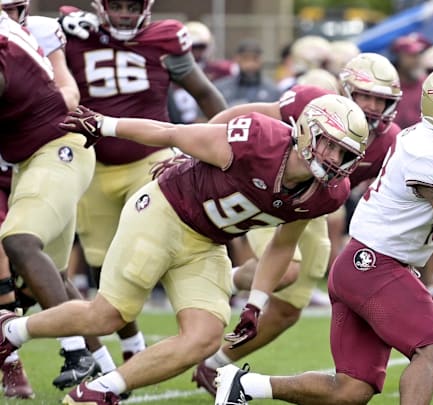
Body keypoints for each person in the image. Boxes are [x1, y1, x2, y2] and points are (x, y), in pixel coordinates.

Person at [0, 93, 369, 404]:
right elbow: (170, 132)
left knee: (205, 337)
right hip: (165, 212)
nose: (334, 159)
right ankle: (11, 331)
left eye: (344, 153)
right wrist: (106, 125)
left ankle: (98, 391)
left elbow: (282, 245)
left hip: (207, 242)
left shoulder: (329, 193)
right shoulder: (258, 140)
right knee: (108, 315)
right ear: (306, 130)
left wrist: (256, 303)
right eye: (328, 143)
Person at [214, 62, 433, 405]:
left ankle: (244, 385)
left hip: (362, 265)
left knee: (350, 391)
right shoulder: (429, 150)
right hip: (375, 265)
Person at [190, 53, 404, 396]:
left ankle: (214, 364)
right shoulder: (313, 102)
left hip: (310, 208)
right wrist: (193, 148)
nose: (374, 107)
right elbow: (241, 116)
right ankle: (215, 282)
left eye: (382, 99)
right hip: (267, 190)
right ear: (346, 91)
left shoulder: (390, 140)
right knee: (287, 271)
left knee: (290, 309)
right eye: (366, 96)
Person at [55, 0, 227, 388]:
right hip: (92, 164)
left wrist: (226, 144)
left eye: (132, 6)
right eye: (115, 5)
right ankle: (132, 342)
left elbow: (205, 92)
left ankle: (191, 307)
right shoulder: (73, 36)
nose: (124, 14)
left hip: (152, 160)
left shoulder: (164, 38)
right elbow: (22, 35)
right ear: (99, 7)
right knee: (107, 273)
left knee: (152, 244)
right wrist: (57, 27)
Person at [0, 7, 96, 398]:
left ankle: (71, 351)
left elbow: (66, 90)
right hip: (29, 158)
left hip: (55, 148)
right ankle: (104, 371)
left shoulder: (12, 44)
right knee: (52, 276)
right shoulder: (13, 35)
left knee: (19, 242)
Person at [168, 20, 236, 124]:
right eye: (192, 47)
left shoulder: (221, 70)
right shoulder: (170, 68)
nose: (196, 52)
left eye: (200, 47)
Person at [212, 39, 281, 106]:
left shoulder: (273, 90)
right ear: (237, 59)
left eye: (255, 59)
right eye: (245, 59)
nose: (250, 64)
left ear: (261, 60)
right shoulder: (220, 88)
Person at [390, 32, 432, 129]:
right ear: (398, 58)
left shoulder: (428, 85)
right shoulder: (389, 86)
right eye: (410, 55)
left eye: (418, 54)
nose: (416, 60)